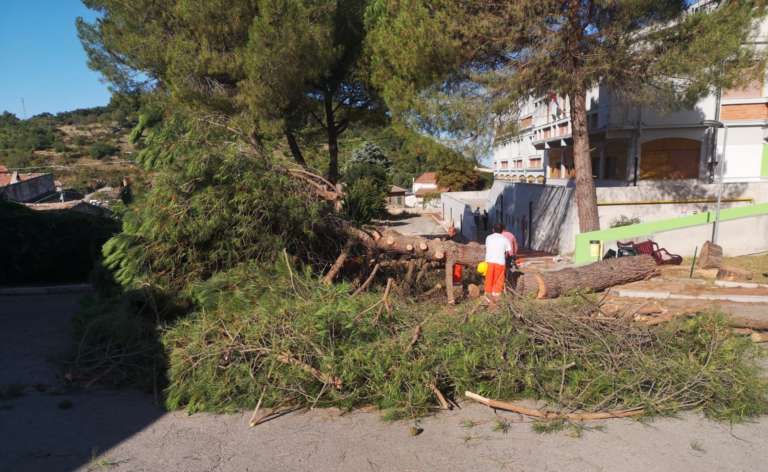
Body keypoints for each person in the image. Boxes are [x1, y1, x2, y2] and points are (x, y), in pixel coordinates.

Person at [484, 223, 512, 301]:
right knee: (498, 281)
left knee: (489, 279)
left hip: (489, 262)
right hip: (500, 262)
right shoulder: (505, 239)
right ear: (502, 231)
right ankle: (496, 298)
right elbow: (509, 252)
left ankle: (488, 298)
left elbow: (487, 248)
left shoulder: (488, 238)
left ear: (493, 229)